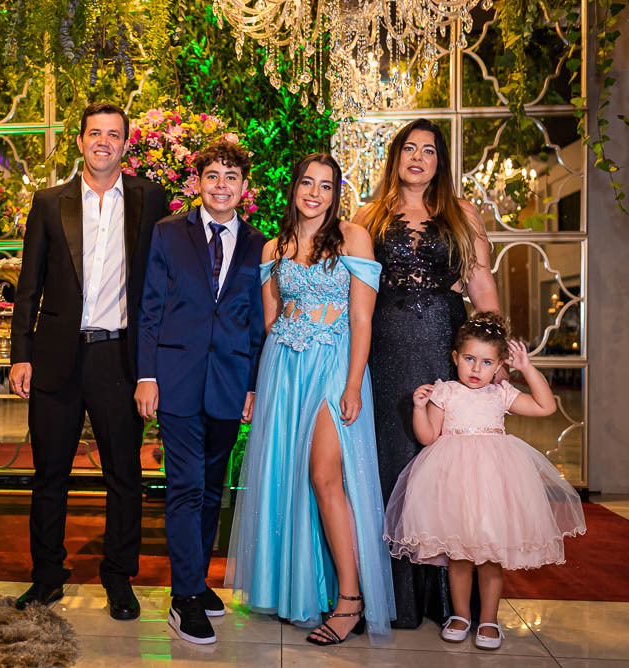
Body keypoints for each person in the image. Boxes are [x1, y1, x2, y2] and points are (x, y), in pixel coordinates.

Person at [226, 153, 395, 646]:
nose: (315, 193)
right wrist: (266, 379)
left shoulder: (353, 238)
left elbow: (362, 318)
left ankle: (350, 600)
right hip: (284, 366)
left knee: (324, 476)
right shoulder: (274, 247)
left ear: (335, 193)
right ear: (294, 188)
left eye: (325, 185)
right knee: (286, 475)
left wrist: (353, 383)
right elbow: (270, 320)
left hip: (334, 363)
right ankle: (295, 589)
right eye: (307, 182)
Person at [9, 102, 168, 619]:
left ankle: (119, 578)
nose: (103, 141)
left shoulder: (150, 199)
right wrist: (20, 354)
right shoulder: (49, 202)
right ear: (80, 142)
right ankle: (46, 578)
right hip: (56, 355)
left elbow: (161, 281)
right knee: (49, 475)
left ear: (125, 144)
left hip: (118, 357)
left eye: (113, 134)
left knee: (124, 475)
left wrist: (155, 362)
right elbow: (28, 285)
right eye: (95, 133)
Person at [351, 118, 501, 629]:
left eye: (429, 150)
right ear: (395, 156)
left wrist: (495, 355)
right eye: (409, 148)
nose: (418, 157)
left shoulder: (462, 212)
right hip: (385, 350)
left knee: (448, 466)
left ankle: (448, 603)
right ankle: (395, 598)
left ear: (441, 161)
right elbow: (355, 295)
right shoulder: (368, 215)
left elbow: (481, 286)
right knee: (391, 459)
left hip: (445, 348)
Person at [384, 312, 586, 650]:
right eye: (469, 359)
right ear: (455, 358)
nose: (476, 368)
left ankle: (489, 619)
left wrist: (527, 368)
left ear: (499, 365)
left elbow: (545, 407)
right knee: (459, 556)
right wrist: (419, 408)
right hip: (454, 484)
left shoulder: (501, 394)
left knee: (491, 556)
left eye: (486, 362)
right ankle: (461, 616)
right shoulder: (445, 392)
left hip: (493, 484)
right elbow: (428, 437)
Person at [135, 139, 265, 645]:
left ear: (244, 187)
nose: (221, 185)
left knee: (213, 489)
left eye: (231, 177)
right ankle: (184, 596)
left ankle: (198, 579)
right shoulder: (169, 233)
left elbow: (258, 323)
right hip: (177, 379)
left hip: (230, 382)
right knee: (186, 487)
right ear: (199, 182)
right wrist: (147, 375)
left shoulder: (259, 244)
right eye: (213, 175)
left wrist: (252, 384)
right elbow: (150, 308)